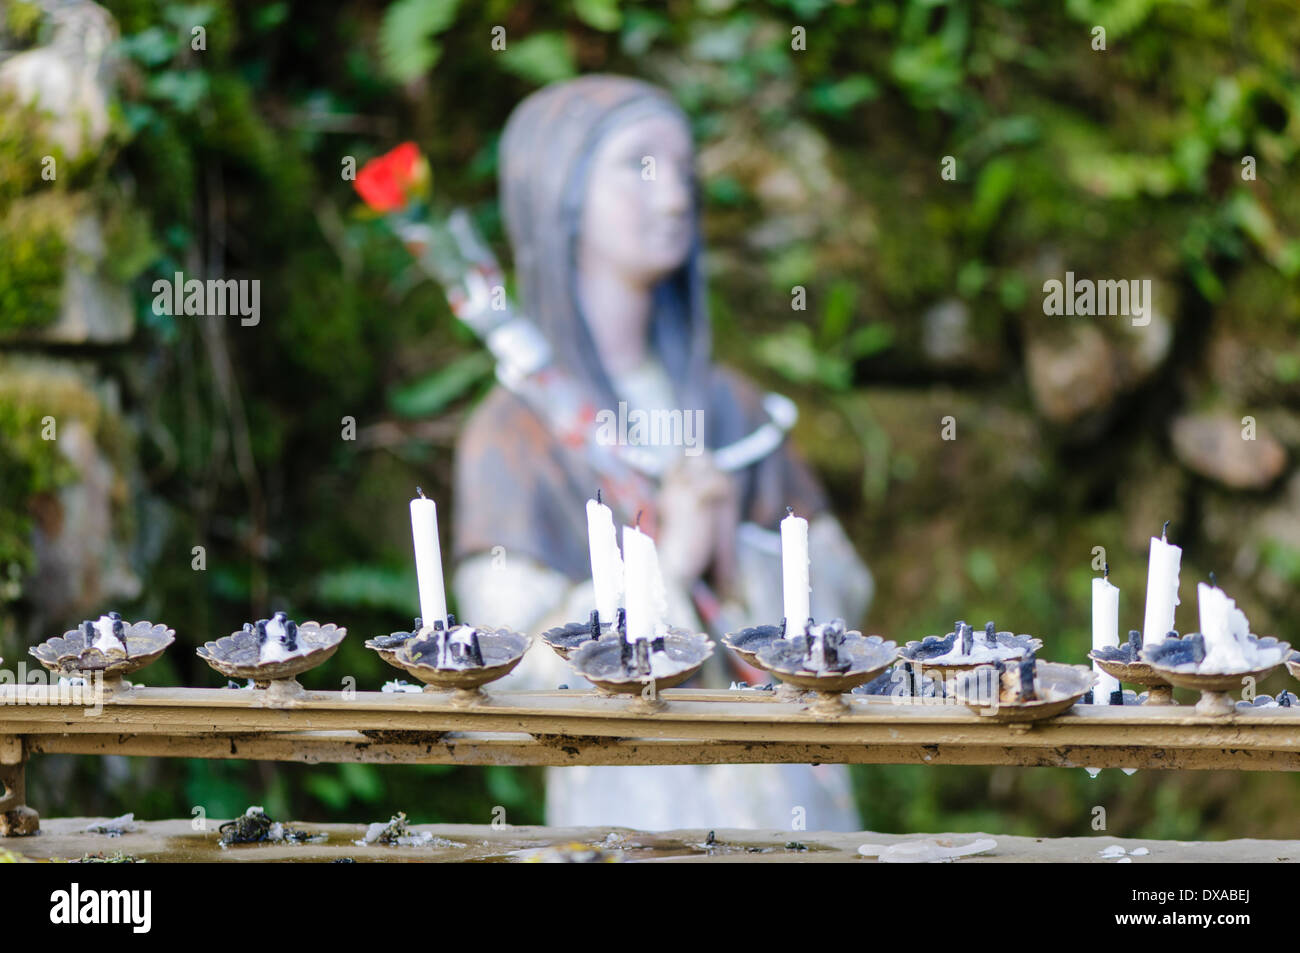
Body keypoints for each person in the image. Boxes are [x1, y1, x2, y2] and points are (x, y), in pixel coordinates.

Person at [452, 75, 872, 831]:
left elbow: (846, 598)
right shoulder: (516, 431)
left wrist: (737, 559)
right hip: (629, 808)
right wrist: (663, 565)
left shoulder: (735, 407)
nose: (675, 196)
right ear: (561, 194)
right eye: (640, 166)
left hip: (790, 801)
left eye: (683, 171)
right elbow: (509, 674)